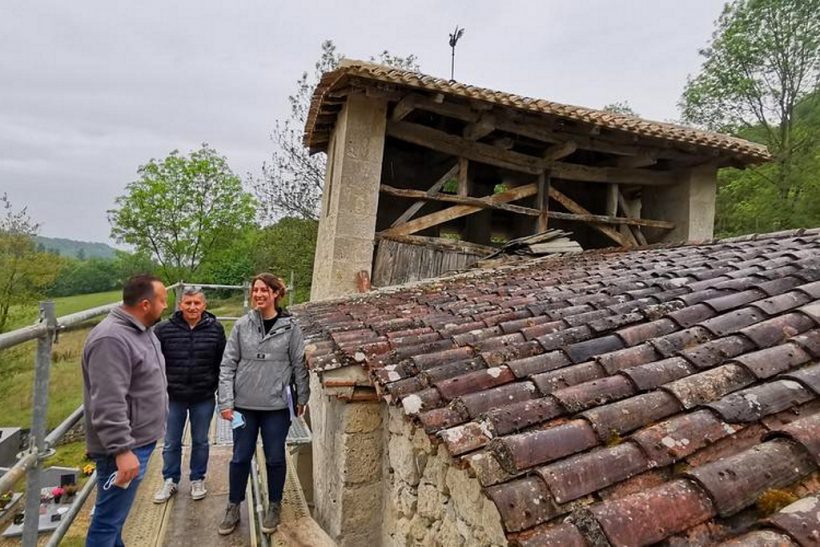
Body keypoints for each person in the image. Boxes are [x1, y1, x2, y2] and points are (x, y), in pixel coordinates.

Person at [217, 273, 310, 535]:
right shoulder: (241, 325)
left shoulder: (291, 328)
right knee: (240, 457)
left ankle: (274, 505)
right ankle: (234, 506)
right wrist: (226, 401)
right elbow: (227, 365)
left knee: (275, 457)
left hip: (276, 407)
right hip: (244, 406)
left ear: (276, 294)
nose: (258, 294)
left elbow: (298, 365)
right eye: (255, 290)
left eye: (264, 290)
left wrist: (302, 397)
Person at [82, 274, 168, 547]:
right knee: (106, 525)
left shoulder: (141, 329)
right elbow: (107, 402)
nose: (166, 306)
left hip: (137, 442)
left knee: (114, 520)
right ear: (145, 304)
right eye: (163, 300)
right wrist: (122, 450)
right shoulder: (111, 340)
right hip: (123, 449)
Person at [152, 286, 226, 503]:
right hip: (173, 396)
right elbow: (154, 362)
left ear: (204, 305)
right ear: (180, 305)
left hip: (203, 395)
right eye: (188, 303)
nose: (192, 307)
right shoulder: (163, 329)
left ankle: (197, 478)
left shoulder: (215, 329)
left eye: (197, 303)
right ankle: (170, 479)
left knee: (201, 440)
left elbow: (222, 362)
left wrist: (223, 394)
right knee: (171, 441)